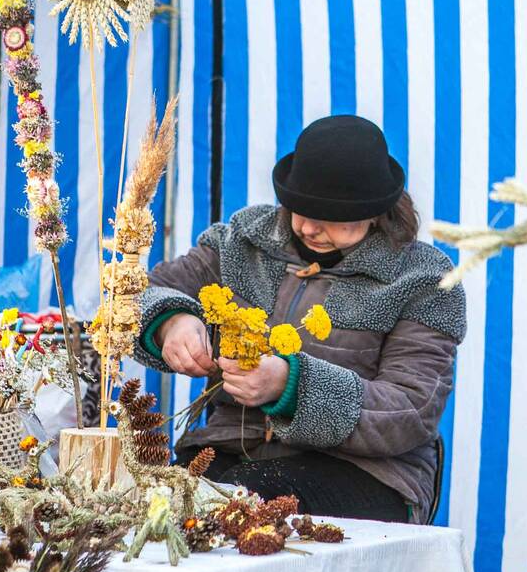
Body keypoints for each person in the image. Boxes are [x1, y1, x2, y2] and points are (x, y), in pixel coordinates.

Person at [133, 115, 466, 523]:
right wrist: (172, 321)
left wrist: (289, 385)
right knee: (158, 507)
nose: (308, 226)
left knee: (238, 505)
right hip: (233, 447)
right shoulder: (244, 241)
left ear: (374, 213)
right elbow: (140, 293)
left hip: (367, 471)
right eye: (299, 208)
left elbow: (409, 409)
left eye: (329, 215)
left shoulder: (424, 281)